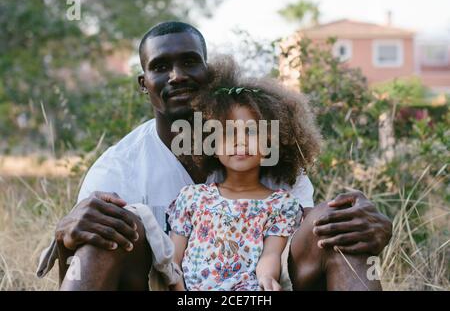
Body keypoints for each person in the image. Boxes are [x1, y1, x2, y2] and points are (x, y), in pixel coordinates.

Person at [37, 21, 392, 290]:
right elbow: (87, 255)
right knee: (105, 230)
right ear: (144, 83)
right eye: (160, 67)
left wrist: (345, 219)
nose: (176, 76)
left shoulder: (266, 148)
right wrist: (68, 230)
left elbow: (295, 247)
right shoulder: (119, 168)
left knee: (340, 231)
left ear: (209, 71)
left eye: (190, 62)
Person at [167, 62, 321, 291]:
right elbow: (173, 260)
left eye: (251, 131)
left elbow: (271, 255)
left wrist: (268, 278)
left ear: (271, 143)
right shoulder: (192, 198)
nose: (240, 141)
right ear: (211, 143)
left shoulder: (280, 205)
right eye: (228, 132)